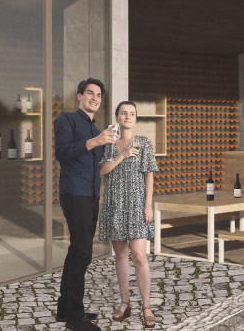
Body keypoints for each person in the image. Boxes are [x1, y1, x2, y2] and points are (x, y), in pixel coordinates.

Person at [54, 78, 118, 331]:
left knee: (76, 253)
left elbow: (100, 169)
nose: (94, 97)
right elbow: (62, 153)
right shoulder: (66, 120)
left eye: (99, 95)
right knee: (82, 253)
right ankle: (75, 318)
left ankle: (65, 309)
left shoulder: (97, 129)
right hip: (74, 194)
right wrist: (95, 142)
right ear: (80, 96)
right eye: (90, 93)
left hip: (91, 195)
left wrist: (119, 152)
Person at [98, 100, 159, 329]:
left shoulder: (143, 143)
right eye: (123, 113)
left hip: (136, 205)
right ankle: (125, 303)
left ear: (135, 118)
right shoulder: (110, 143)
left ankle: (146, 306)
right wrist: (122, 155)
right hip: (115, 204)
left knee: (139, 255)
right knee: (121, 255)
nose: (128, 116)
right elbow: (103, 170)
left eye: (132, 113)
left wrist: (148, 205)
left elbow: (149, 174)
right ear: (117, 117)